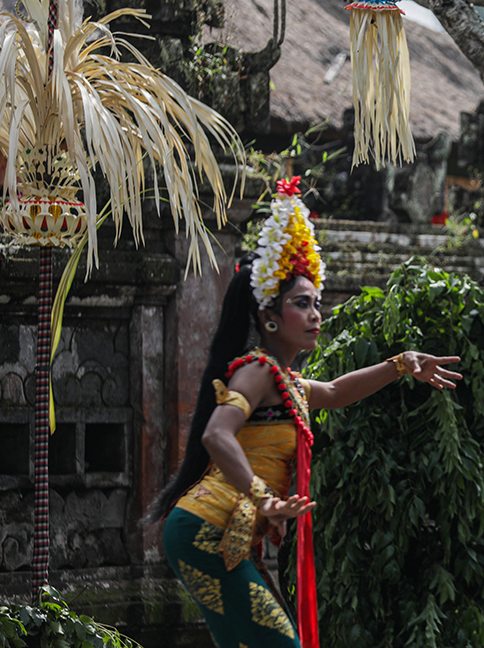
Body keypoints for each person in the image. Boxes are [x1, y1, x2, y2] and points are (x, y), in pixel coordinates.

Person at [145, 176, 462, 648]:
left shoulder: (285, 381)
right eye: (301, 304)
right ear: (269, 317)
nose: (315, 314)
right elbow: (216, 435)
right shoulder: (256, 370)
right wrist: (264, 499)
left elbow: (334, 390)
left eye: (316, 303)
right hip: (205, 527)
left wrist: (401, 363)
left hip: (224, 532)